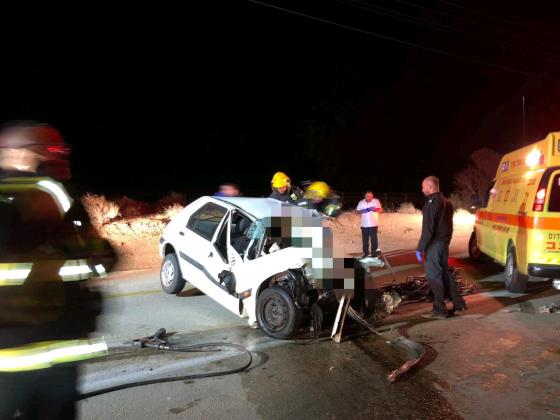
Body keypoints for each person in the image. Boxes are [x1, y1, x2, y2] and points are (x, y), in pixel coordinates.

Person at [0, 121, 115, 419]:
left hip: (46, 353)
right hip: (43, 354)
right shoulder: (53, 193)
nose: (60, 156)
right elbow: (103, 258)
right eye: (51, 149)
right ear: (18, 154)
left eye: (63, 149)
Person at [416, 175, 467, 319]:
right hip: (443, 245)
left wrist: (420, 248)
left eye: (424, 186)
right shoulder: (447, 203)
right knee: (445, 275)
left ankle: (439, 310)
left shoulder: (431, 205)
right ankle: (459, 304)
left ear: (431, 187)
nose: (422, 189)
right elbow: (448, 227)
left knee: (434, 277)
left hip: (434, 246)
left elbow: (428, 230)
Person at [356, 190, 383, 259]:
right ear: (365, 196)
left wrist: (375, 209)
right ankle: (365, 253)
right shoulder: (361, 202)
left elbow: (380, 210)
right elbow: (357, 211)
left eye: (371, 195)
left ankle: (374, 254)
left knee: (374, 240)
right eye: (368, 196)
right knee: (365, 240)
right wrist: (365, 210)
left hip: (373, 224)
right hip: (364, 225)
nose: (370, 197)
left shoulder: (376, 201)